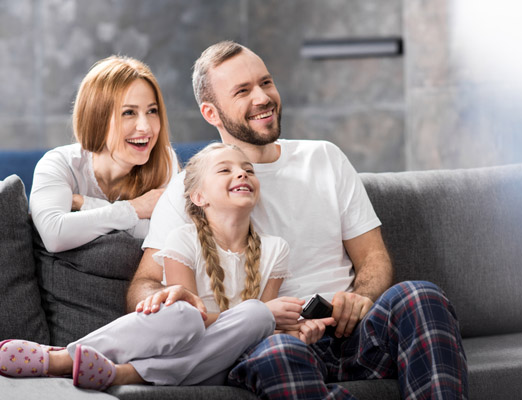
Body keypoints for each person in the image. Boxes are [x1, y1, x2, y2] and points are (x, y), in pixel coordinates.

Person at [128, 41, 468, 399]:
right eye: (243, 91)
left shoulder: (324, 157)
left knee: (420, 295)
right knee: (279, 352)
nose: (262, 98)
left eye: (266, 83)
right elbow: (144, 283)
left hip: (351, 334)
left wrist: (360, 298)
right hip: (270, 343)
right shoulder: (193, 187)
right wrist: (170, 301)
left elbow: (373, 257)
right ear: (211, 113)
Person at [0, 143, 309, 390]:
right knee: (184, 313)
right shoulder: (182, 240)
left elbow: (266, 328)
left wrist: (297, 325)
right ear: (199, 196)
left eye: (248, 170)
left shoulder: (275, 249)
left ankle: (115, 372)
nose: (242, 174)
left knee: (256, 315)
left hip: (225, 359)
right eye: (225, 170)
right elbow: (194, 318)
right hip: (187, 343)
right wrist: (264, 314)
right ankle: (70, 358)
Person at [29, 55, 179, 253]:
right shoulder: (58, 164)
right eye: (128, 113)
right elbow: (54, 235)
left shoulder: (164, 161)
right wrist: (136, 208)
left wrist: (86, 204)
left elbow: (170, 238)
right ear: (97, 118)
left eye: (152, 111)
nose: (145, 127)